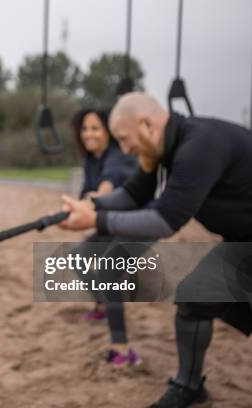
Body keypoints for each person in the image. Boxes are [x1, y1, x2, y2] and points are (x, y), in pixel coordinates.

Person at [58, 92, 252, 408]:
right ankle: (188, 386)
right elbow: (135, 194)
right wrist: (90, 204)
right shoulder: (167, 148)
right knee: (193, 299)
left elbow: (165, 221)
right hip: (243, 244)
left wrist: (95, 219)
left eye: (124, 139)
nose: (124, 149)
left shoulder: (198, 145)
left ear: (147, 125)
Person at [70, 108, 140, 366]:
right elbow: (83, 196)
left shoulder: (117, 156)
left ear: (109, 131)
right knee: (78, 258)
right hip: (108, 225)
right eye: (85, 128)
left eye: (96, 128)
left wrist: (94, 201)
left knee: (110, 272)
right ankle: (102, 306)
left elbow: (106, 186)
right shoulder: (90, 160)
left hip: (135, 224)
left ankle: (122, 348)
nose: (89, 133)